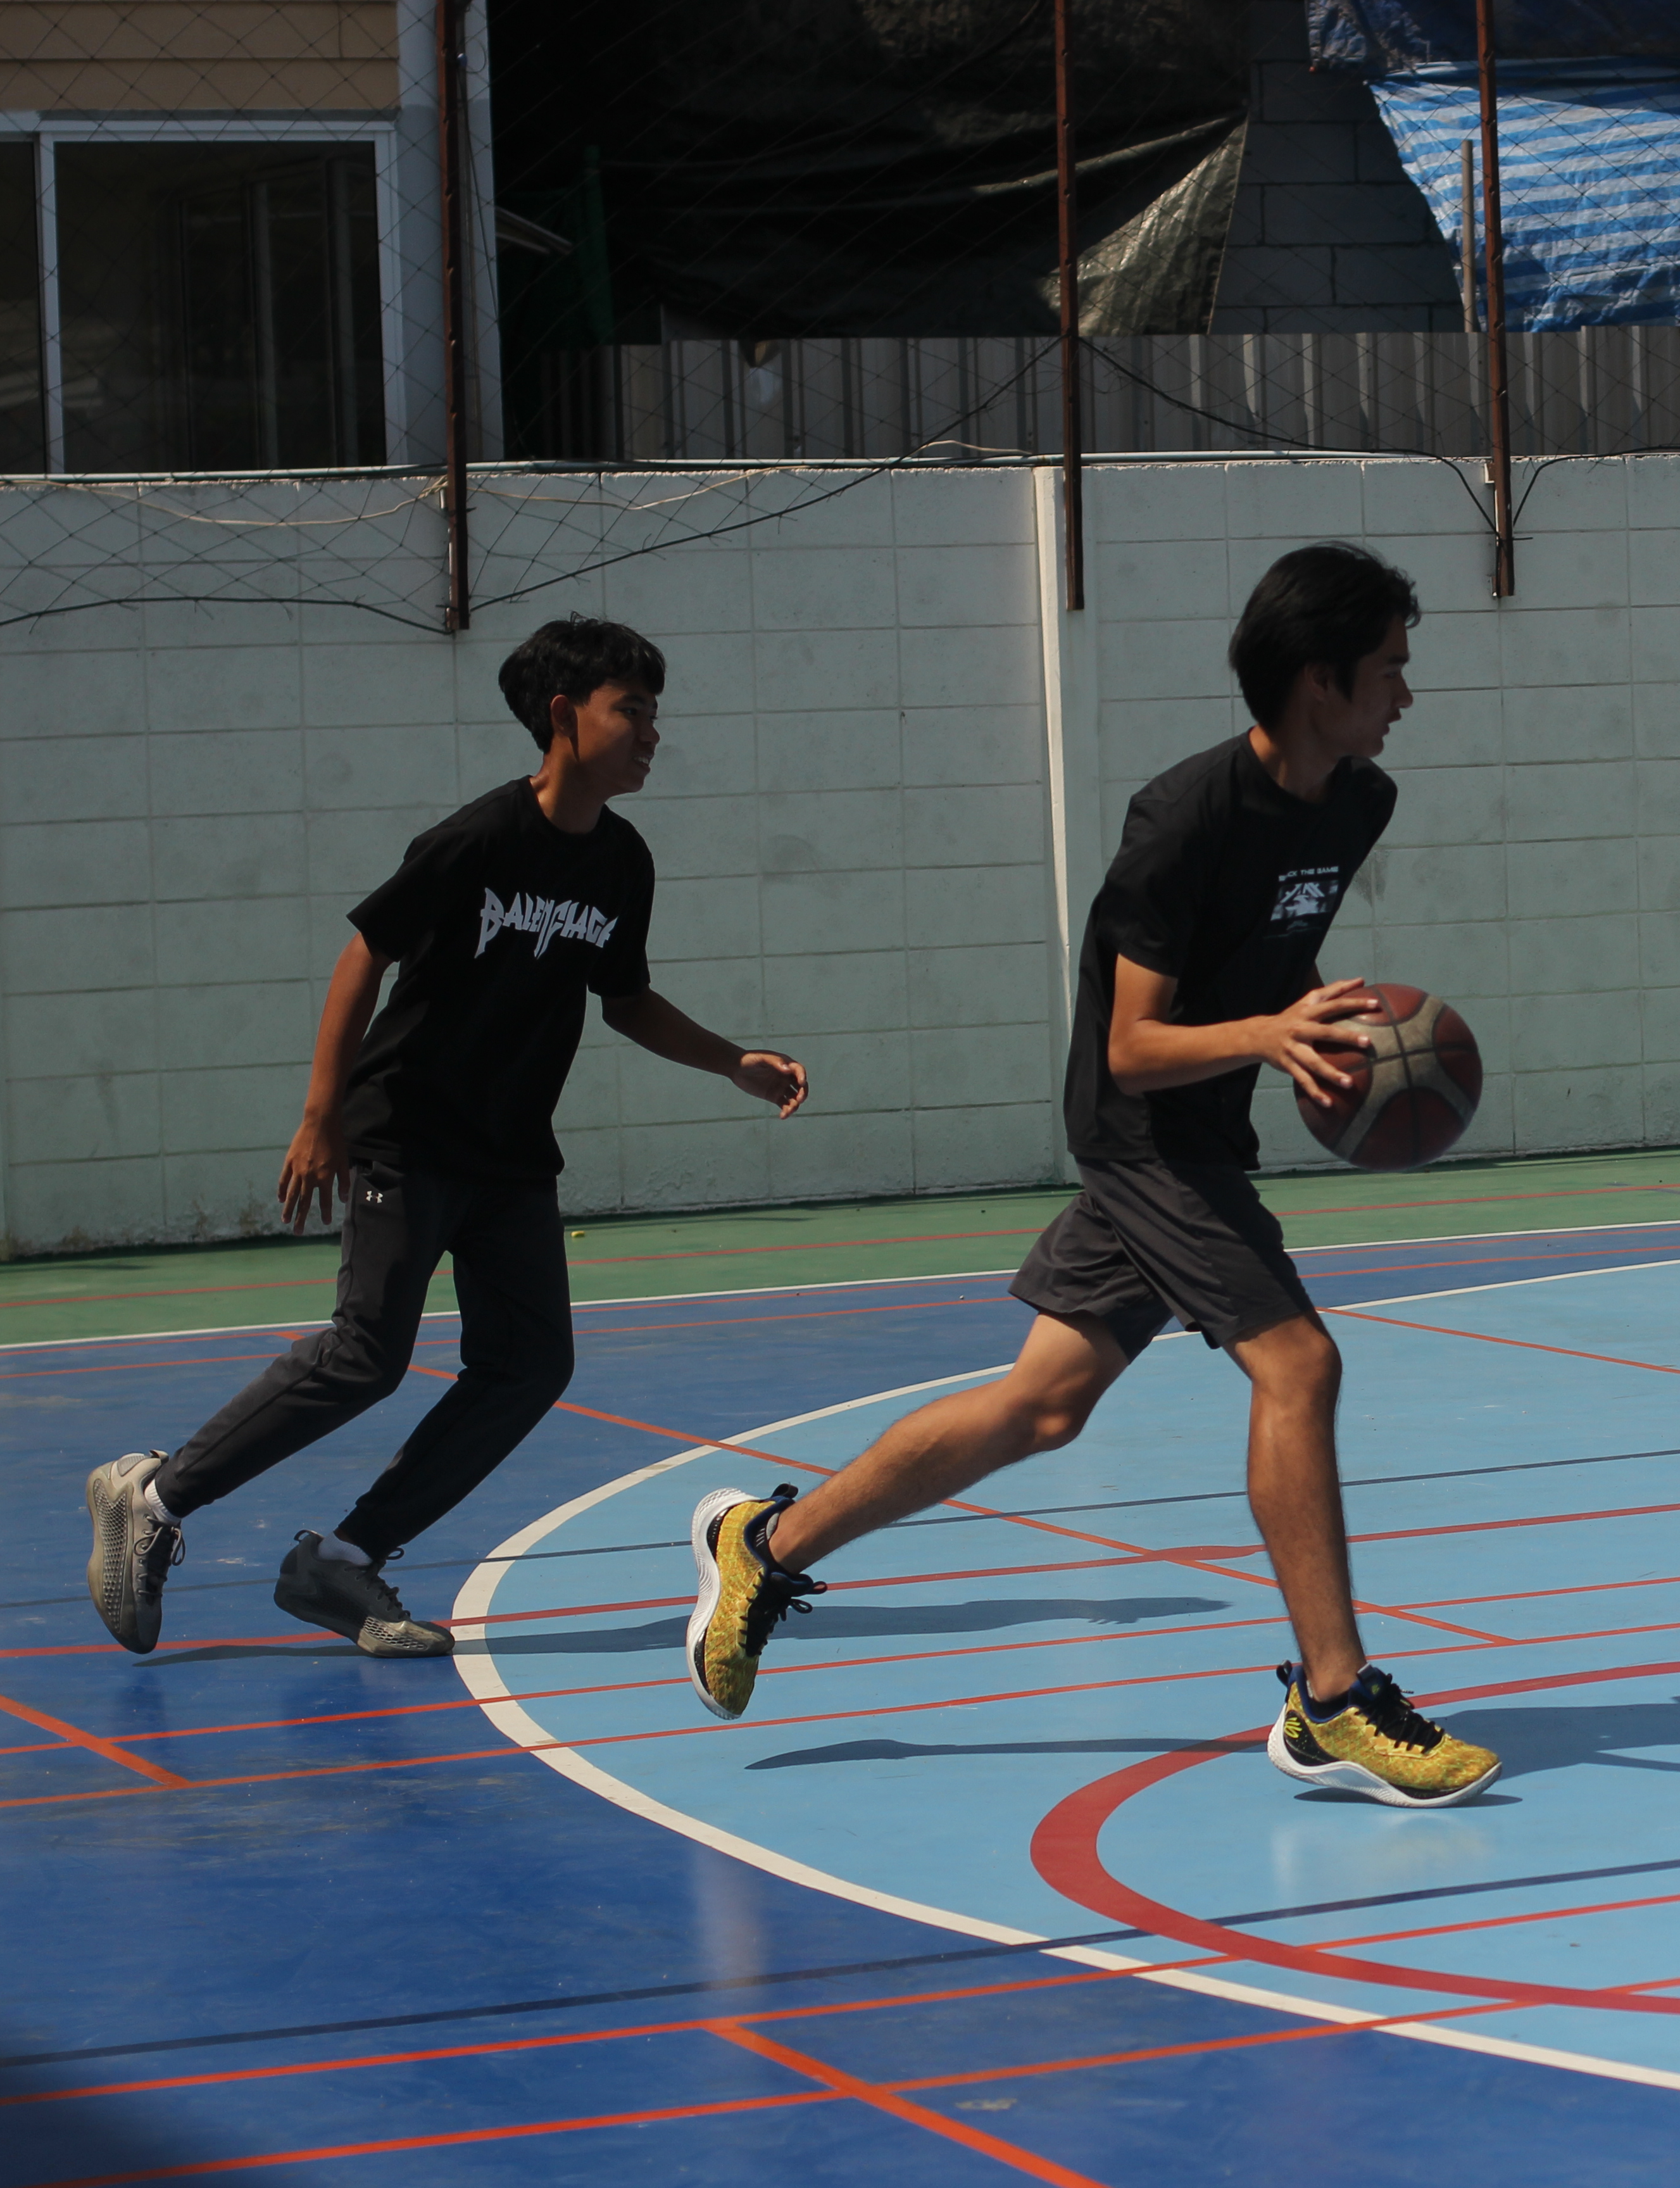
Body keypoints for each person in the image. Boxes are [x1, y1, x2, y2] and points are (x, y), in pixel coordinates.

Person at [680, 543, 1501, 1810]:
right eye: (1390, 667)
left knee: (1039, 1409)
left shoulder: (1357, 801)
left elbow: (1264, 961)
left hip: (1205, 1128)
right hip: (1141, 1133)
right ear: (1318, 679)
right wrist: (1267, 1036)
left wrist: (1307, 1028)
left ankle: (762, 1546)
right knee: (1300, 1363)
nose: (1407, 691)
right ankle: (1334, 1697)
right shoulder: (1182, 819)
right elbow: (1131, 1045)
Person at [84, 617, 810, 1657]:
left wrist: (732, 1061)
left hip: (509, 1153)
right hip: (408, 1133)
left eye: (654, 712)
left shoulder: (621, 860)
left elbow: (626, 998)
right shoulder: (476, 841)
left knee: (527, 1365)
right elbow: (362, 955)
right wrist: (321, 1115)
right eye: (632, 710)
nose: (653, 732)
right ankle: (153, 1495)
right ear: (564, 718)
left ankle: (344, 1559)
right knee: (368, 1355)